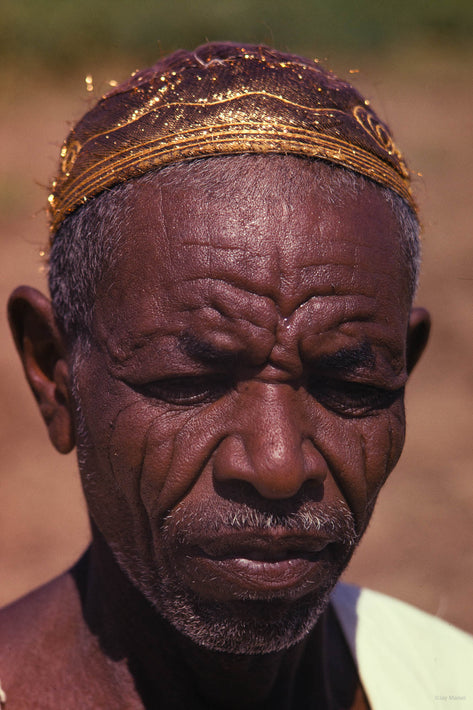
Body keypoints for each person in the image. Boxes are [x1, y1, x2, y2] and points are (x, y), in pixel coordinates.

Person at [0, 41, 471, 709]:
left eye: (350, 386)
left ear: (403, 371)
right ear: (54, 373)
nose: (278, 465)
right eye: (188, 381)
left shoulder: (446, 683)